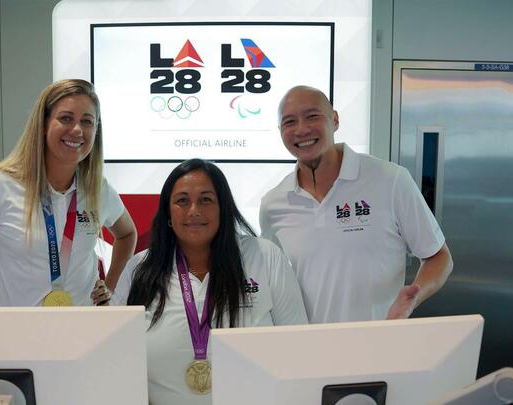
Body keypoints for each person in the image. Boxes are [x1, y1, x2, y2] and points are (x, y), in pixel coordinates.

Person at [112, 159, 307, 405]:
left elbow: (298, 348)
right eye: (182, 200)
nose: (194, 210)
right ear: (168, 213)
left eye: (206, 199)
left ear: (223, 208)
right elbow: (116, 356)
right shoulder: (140, 269)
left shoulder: (264, 257)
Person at [259, 86, 453, 323]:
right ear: (280, 131)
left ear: (335, 120)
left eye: (312, 116)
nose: (302, 129)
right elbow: (268, 277)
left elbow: (439, 257)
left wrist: (414, 297)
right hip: (308, 349)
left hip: (378, 346)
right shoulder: (274, 204)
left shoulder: (390, 180)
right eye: (289, 122)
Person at [0, 79, 136, 307]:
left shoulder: (97, 188)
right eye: (66, 118)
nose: (77, 129)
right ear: (44, 124)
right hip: (11, 334)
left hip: (81, 333)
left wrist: (110, 286)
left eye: (87, 121)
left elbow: (127, 234)